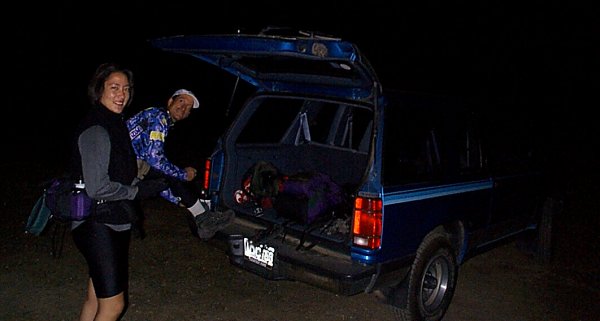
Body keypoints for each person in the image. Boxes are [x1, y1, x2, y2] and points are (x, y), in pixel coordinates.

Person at [70, 62, 168, 321]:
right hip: (98, 224)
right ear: (99, 90)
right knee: (113, 306)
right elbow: (97, 186)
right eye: (114, 87)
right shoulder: (96, 128)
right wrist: (137, 193)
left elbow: (121, 168)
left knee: (95, 298)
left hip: (111, 222)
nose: (121, 94)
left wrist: (150, 174)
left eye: (125, 88)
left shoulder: (115, 123)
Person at [126, 89, 234, 239]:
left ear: (188, 114)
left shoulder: (158, 117)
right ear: (170, 101)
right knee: (171, 172)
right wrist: (184, 174)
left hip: (130, 167)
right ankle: (203, 217)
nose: (183, 108)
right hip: (124, 165)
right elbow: (155, 160)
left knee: (168, 175)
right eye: (181, 101)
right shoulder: (159, 117)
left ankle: (202, 217)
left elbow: (158, 176)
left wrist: (178, 199)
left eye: (188, 107)